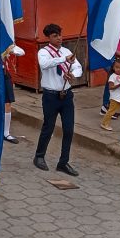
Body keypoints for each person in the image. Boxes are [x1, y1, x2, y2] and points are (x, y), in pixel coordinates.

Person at [34, 24, 83, 176]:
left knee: (68, 129)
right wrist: (63, 59)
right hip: (50, 96)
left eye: (60, 35)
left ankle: (63, 162)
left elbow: (78, 67)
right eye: (55, 35)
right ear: (48, 37)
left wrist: (73, 74)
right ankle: (39, 156)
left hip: (66, 95)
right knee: (48, 127)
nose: (59, 38)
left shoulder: (67, 50)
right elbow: (45, 64)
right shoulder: (43, 52)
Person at [3, 46, 25, 144]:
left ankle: (6, 133)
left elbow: (21, 52)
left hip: (4, 74)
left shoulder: (6, 43)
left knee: (7, 103)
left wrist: (9, 49)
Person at [100, 58, 120, 131]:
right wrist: (119, 85)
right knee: (111, 112)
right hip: (115, 99)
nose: (118, 69)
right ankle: (104, 123)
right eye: (116, 67)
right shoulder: (112, 76)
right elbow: (110, 87)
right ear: (113, 67)